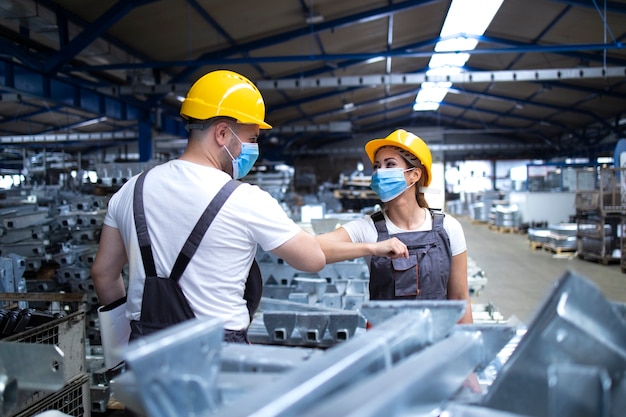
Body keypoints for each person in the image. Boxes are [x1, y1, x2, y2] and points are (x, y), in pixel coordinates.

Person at [91, 69, 326, 344]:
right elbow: (313, 259)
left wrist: (125, 344)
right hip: (220, 361)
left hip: (146, 358)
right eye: (251, 139)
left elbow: (103, 274)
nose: (253, 149)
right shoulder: (244, 199)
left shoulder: (130, 190)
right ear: (223, 133)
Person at [316, 129, 473, 324]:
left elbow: (460, 298)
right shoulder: (368, 229)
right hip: (385, 346)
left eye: (390, 165)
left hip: (437, 344)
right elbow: (313, 248)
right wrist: (372, 248)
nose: (380, 173)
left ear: (414, 175)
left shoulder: (449, 228)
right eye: (376, 166)